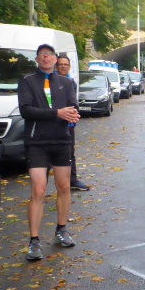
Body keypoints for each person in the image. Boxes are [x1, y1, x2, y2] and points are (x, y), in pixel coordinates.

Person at [19, 44, 80, 261]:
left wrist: (73, 115)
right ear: (37, 59)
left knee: (64, 186)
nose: (46, 58)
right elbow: (26, 110)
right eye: (42, 55)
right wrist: (57, 113)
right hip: (37, 142)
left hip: (61, 141)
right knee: (38, 190)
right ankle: (34, 241)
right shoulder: (27, 81)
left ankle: (61, 229)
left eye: (50, 54)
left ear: (55, 59)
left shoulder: (66, 82)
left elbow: (73, 107)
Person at [55, 55, 90, 191]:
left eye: (66, 64)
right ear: (56, 66)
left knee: (69, 152)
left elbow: (72, 102)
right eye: (60, 64)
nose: (63, 67)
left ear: (69, 67)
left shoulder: (71, 82)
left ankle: (72, 180)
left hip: (68, 123)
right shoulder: (50, 81)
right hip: (52, 122)